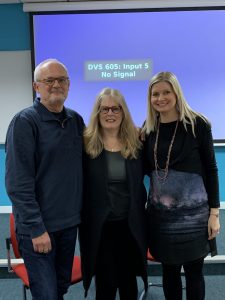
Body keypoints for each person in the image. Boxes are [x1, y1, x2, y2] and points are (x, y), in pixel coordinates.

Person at [5, 58, 84, 300]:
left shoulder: (75, 121)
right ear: (36, 87)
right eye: (49, 80)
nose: (56, 85)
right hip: (39, 229)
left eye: (61, 80)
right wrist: (36, 229)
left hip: (68, 225)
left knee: (59, 288)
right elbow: (18, 184)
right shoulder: (25, 122)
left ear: (69, 85)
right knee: (46, 294)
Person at [143, 71, 220, 300]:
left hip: (194, 218)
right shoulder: (148, 131)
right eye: (155, 94)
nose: (160, 98)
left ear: (176, 93)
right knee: (169, 271)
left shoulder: (198, 125)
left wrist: (214, 214)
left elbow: (211, 170)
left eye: (166, 92)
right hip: (161, 219)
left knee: (195, 272)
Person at [79, 87, 148, 300]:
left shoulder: (137, 142)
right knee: (106, 284)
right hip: (100, 227)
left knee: (128, 282)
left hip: (130, 224)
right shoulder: (85, 143)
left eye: (115, 109)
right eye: (104, 109)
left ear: (123, 111)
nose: (110, 113)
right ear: (97, 113)